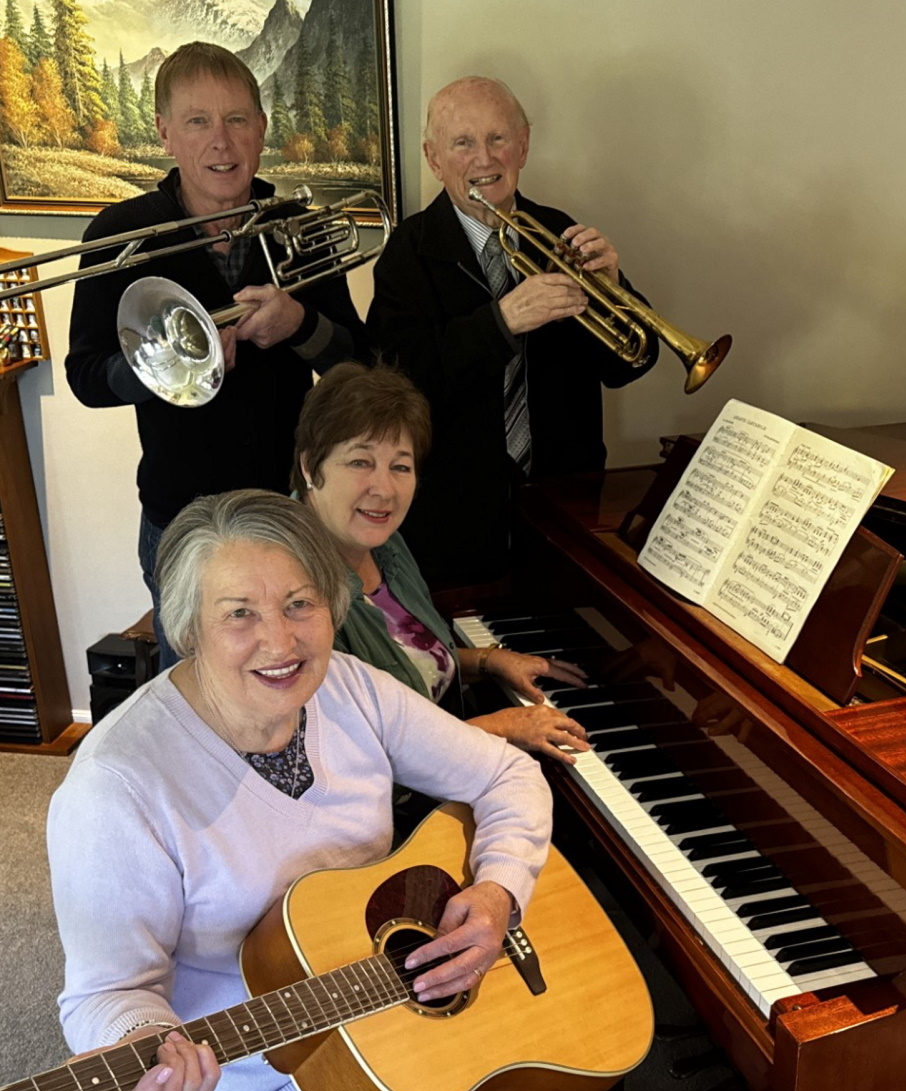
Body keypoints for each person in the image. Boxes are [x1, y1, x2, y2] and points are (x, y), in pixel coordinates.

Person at [45, 490, 637, 1091]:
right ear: (189, 628)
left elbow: (506, 770)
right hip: (274, 1080)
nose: (281, 641)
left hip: (392, 981)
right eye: (240, 613)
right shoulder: (116, 786)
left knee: (594, 1057)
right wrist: (148, 1048)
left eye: (300, 603)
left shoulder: (348, 687)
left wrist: (498, 889)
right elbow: (107, 993)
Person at [65, 42, 367, 670]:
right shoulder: (119, 235)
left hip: (293, 508)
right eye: (198, 121)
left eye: (237, 120)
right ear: (165, 133)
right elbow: (87, 376)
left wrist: (299, 324)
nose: (221, 142)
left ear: (261, 129)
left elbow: (357, 364)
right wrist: (166, 364)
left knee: (300, 681)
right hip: (181, 519)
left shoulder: (297, 226)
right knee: (203, 702)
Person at [367, 75, 659, 589]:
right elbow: (396, 382)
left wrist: (618, 291)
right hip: (450, 518)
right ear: (434, 159)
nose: (484, 159)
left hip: (565, 511)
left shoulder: (560, 231)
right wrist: (501, 322)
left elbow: (629, 364)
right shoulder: (407, 252)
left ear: (523, 145)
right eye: (463, 143)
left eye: (498, 138)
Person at [294, 360, 592, 769]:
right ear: (311, 467)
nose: (383, 489)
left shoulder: (386, 546)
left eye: (400, 466)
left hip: (450, 761)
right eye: (360, 462)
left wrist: (486, 661)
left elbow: (408, 665)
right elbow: (365, 752)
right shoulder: (294, 589)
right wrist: (502, 726)